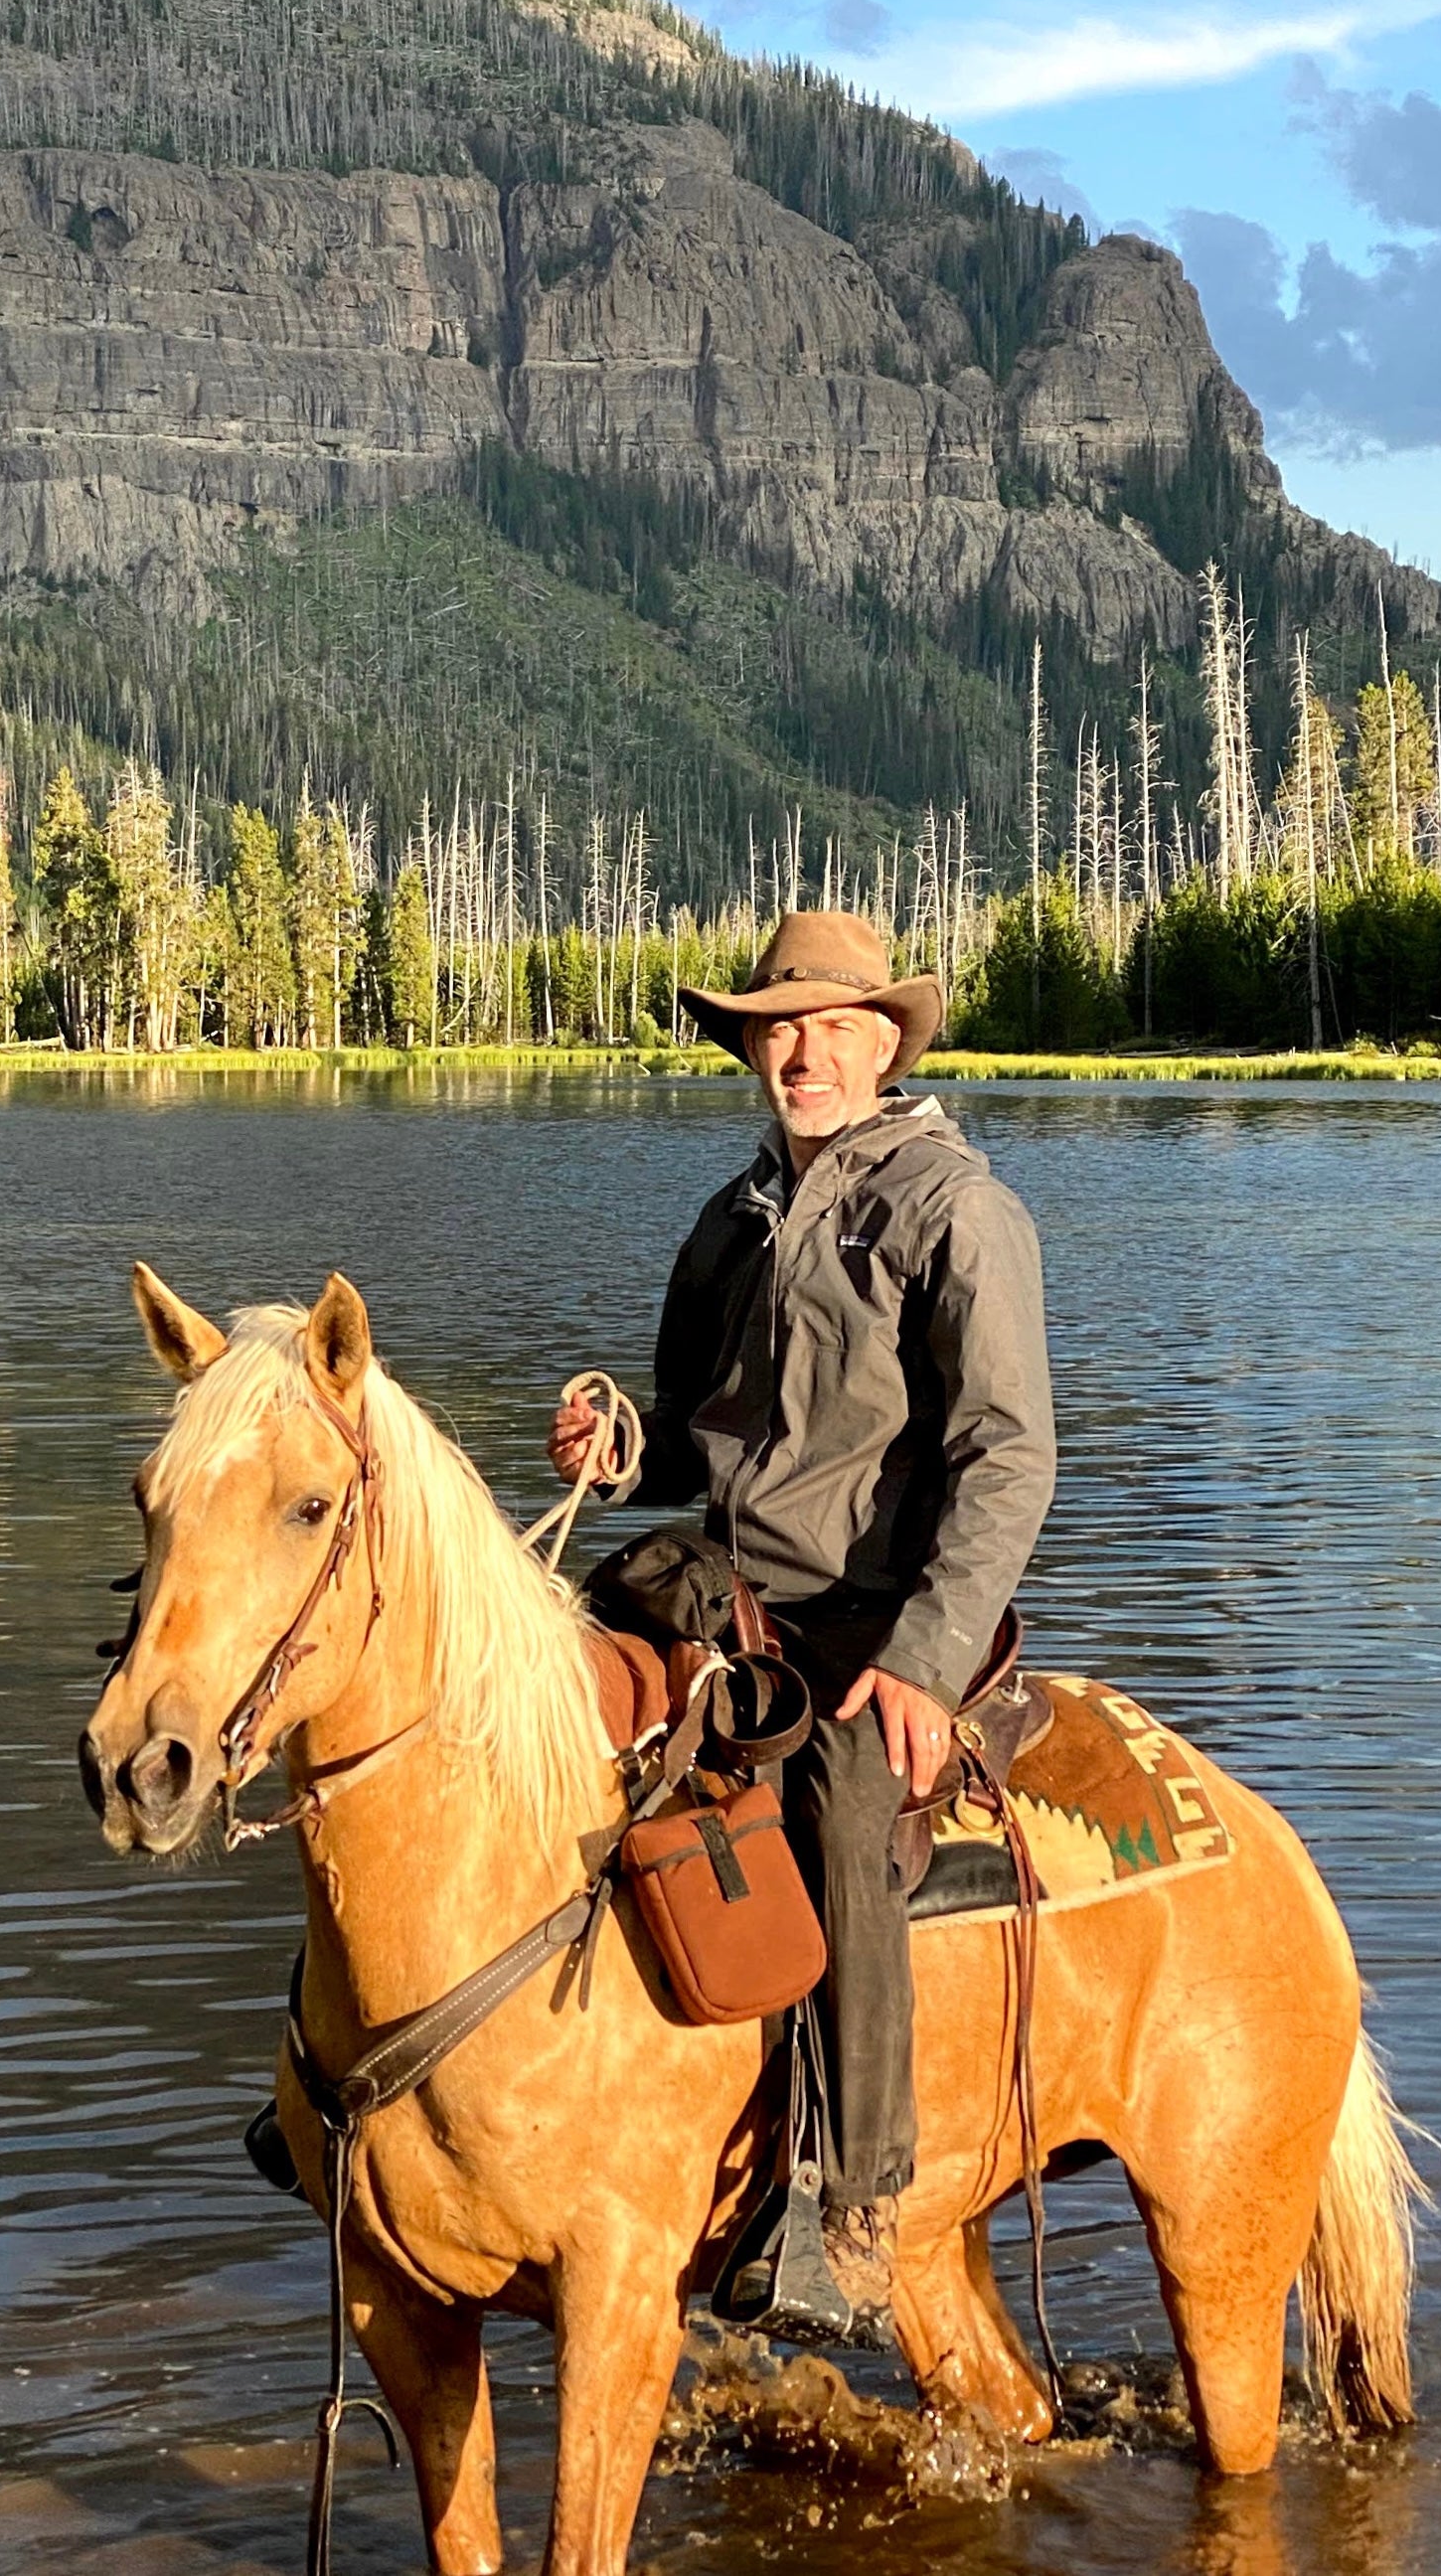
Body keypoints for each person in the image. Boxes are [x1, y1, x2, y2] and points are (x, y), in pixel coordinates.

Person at [548, 906, 1054, 2333]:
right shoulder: (734, 1214)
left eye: (831, 1026)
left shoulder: (955, 1209)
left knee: (834, 1801)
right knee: (511, 1684)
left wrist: (923, 1663)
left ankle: (853, 2197)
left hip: (867, 1606)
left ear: (886, 1041)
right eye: (777, 1029)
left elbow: (1008, 1455)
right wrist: (613, 1445)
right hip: (718, 1576)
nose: (801, 1053)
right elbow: (686, 1420)